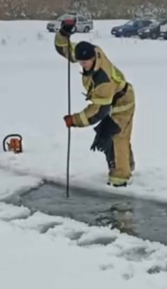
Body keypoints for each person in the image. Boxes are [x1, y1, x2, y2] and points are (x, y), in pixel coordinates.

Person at [55, 17, 137, 187]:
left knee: (115, 137)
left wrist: (74, 120)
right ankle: (128, 165)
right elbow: (65, 48)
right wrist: (64, 32)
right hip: (111, 99)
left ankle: (120, 179)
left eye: (85, 62)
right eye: (80, 62)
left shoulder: (103, 80)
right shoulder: (89, 51)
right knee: (110, 135)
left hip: (122, 103)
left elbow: (98, 111)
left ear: (93, 58)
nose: (83, 65)